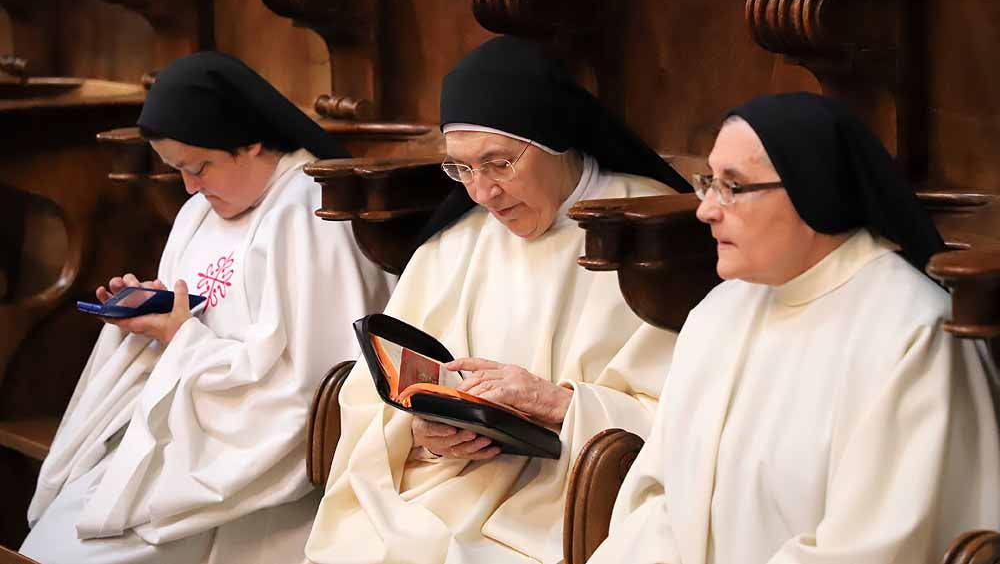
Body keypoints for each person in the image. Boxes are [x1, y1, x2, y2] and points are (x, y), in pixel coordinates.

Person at [303, 36, 692, 564]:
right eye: (461, 169)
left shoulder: (654, 233)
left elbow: (693, 419)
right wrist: (421, 435)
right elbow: (370, 398)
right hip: (447, 487)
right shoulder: (454, 244)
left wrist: (558, 405)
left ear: (555, 138)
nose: (482, 193)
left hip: (569, 507)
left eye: (499, 163)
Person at [588, 92, 1000, 564]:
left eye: (733, 186)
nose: (706, 210)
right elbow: (660, 503)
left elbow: (872, 550)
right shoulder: (717, 314)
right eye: (708, 183)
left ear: (812, 188)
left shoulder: (913, 337)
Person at [20, 52, 395, 564]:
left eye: (199, 167)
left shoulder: (311, 213)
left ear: (251, 141)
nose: (190, 187)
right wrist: (147, 314)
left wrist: (181, 339)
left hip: (241, 467)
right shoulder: (200, 210)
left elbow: (311, 391)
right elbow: (194, 313)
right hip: (179, 428)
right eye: (178, 171)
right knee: (55, 539)